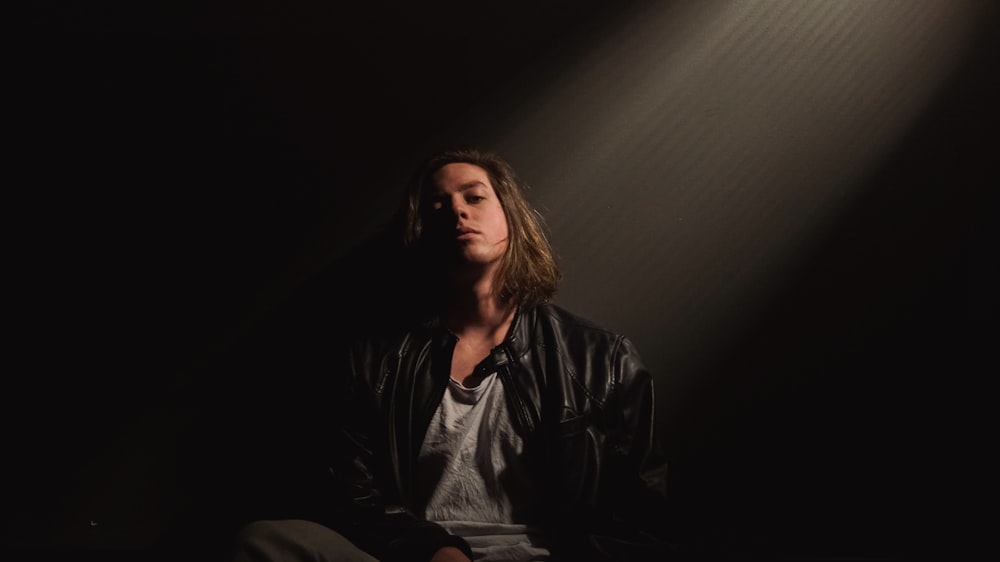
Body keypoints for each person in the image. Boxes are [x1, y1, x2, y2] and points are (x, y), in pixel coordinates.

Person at [229, 147, 675, 562]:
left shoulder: (601, 358)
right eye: (437, 205)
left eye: (475, 197)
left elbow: (640, 516)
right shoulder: (375, 356)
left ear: (510, 216)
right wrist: (432, 549)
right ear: (421, 229)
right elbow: (351, 493)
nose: (457, 210)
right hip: (414, 555)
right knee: (265, 540)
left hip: (542, 555)